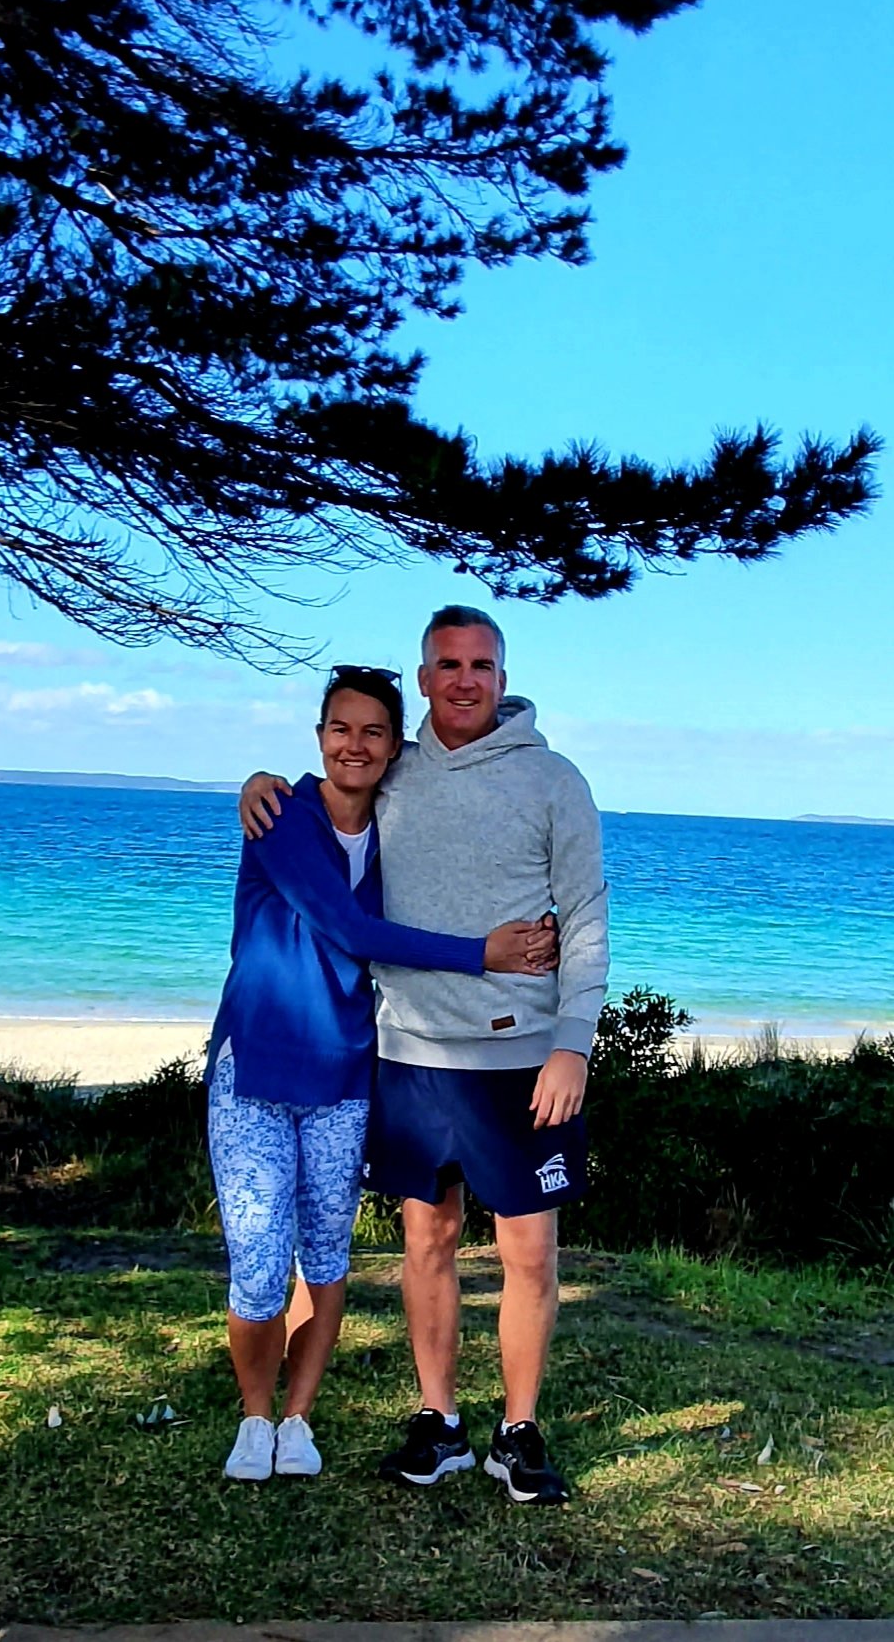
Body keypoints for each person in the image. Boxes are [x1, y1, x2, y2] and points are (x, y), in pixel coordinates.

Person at [241, 607, 608, 1504]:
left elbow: (586, 915)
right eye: (448, 664)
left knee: (529, 1252)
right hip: (408, 1049)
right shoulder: (395, 769)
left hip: (519, 1055)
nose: (464, 680)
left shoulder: (554, 780)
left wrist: (572, 1043)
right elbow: (333, 783)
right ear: (425, 676)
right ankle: (439, 1422)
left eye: (480, 665)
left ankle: (517, 1432)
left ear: (502, 677)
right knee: (426, 1240)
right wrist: (260, 782)